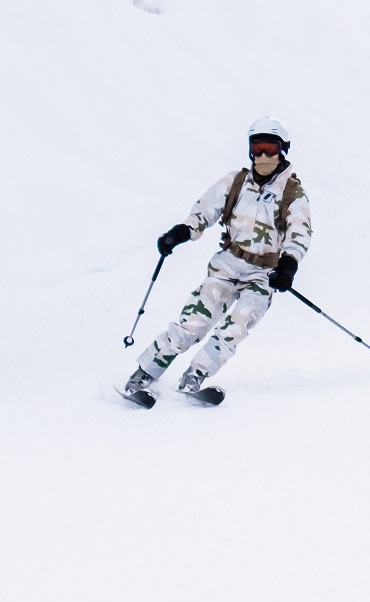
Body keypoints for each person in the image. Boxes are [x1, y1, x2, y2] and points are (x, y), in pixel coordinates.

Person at [122, 118, 312, 407]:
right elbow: (205, 211)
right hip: (228, 265)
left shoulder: (292, 194)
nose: (263, 156)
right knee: (192, 323)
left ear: (282, 150)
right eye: (257, 148)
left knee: (235, 327)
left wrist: (288, 267)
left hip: (263, 275)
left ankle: (194, 376)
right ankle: (144, 374)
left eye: (270, 148)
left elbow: (299, 235)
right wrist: (180, 232)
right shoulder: (235, 182)